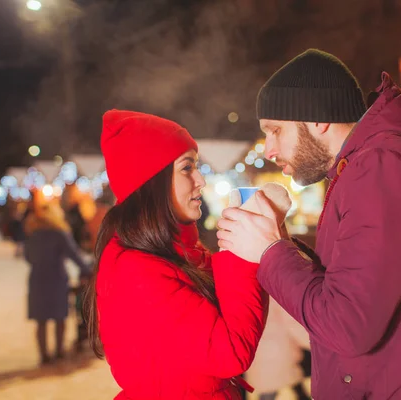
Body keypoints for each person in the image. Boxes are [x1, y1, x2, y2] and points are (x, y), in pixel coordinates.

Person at [217, 49, 401, 399]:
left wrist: (270, 252)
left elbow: (347, 325)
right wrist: (279, 242)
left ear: (317, 118)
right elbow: (354, 293)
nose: (269, 150)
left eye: (275, 130)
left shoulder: (384, 167)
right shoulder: (367, 166)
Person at [84, 110, 268, 400]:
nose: (200, 180)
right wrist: (242, 252)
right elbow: (230, 352)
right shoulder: (137, 269)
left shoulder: (172, 253)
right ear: (152, 182)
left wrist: (257, 239)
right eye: (187, 168)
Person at [24, 203, 90, 365]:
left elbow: (28, 258)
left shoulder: (32, 235)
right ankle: (59, 351)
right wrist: (88, 270)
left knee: (41, 320)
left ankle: (44, 355)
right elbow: (74, 255)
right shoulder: (60, 234)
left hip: (37, 279)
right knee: (59, 317)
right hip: (56, 279)